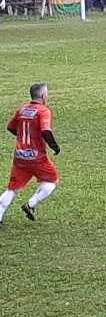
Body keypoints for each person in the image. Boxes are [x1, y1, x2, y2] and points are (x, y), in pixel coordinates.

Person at [0, 83, 61, 230]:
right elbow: (46, 131)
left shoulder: (21, 110)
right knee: (53, 181)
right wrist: (55, 147)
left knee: (12, 189)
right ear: (43, 96)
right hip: (37, 157)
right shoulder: (43, 111)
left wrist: (22, 138)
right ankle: (31, 204)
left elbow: (10, 127)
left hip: (20, 156)